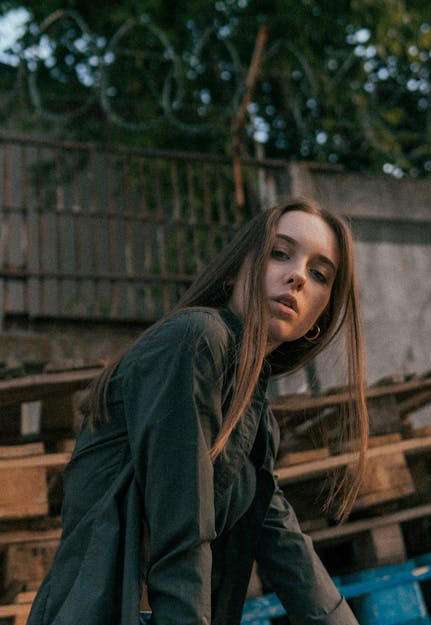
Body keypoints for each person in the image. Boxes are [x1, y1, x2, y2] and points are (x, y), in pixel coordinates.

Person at [27, 197, 369, 625]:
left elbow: (285, 544)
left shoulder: (255, 414)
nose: (297, 276)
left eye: (319, 275)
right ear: (235, 269)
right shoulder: (195, 341)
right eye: (280, 253)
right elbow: (180, 528)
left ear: (319, 316)